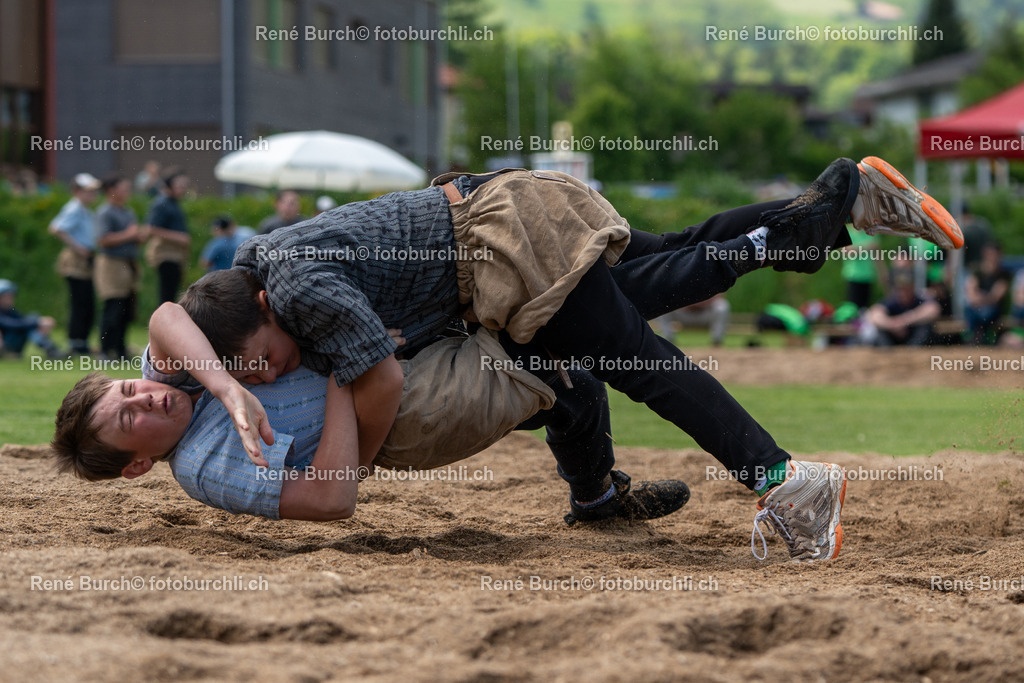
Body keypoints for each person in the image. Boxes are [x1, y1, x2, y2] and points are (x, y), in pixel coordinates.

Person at [140, 155, 961, 561]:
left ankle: (789, 481)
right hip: (506, 207)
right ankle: (828, 204)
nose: (280, 369)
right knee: (663, 265)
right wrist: (224, 378)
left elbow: (381, 378)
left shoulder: (297, 291)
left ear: (260, 311)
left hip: (507, 248)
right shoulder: (251, 266)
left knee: (641, 358)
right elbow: (167, 313)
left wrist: (362, 451)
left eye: (271, 358)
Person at [53, 326, 690, 524]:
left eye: (129, 390)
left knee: (557, 362)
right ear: (138, 465)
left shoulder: (172, 376)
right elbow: (331, 499)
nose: (148, 400)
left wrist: (221, 384)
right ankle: (599, 500)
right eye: (129, 418)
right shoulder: (203, 468)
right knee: (560, 369)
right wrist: (343, 369)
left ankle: (596, 498)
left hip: (390, 351)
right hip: (397, 414)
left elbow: (167, 313)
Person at [94, 175, 147, 359]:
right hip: (111, 265)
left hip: (128, 264)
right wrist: (129, 234)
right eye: (123, 188)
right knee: (113, 307)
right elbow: (103, 239)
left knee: (126, 309)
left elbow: (130, 236)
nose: (127, 192)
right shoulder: (105, 212)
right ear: (111, 191)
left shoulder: (127, 211)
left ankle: (120, 349)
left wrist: (138, 237)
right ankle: (104, 349)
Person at [49, 172, 100, 355]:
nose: (92, 195)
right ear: (76, 191)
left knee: (87, 302)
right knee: (79, 301)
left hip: (86, 259)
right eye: (87, 191)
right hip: (76, 260)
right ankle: (75, 343)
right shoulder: (74, 208)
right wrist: (78, 247)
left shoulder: (86, 209)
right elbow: (56, 228)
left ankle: (83, 342)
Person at [864, 261, 940, 346]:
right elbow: (874, 315)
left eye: (906, 288)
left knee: (925, 327)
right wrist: (893, 325)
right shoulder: (891, 301)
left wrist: (904, 321)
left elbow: (933, 309)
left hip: (915, 340)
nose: (903, 292)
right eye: (901, 288)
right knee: (881, 331)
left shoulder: (919, 299)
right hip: (892, 340)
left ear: (912, 287)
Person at [144, 169, 192, 304]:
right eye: (179, 185)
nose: (183, 188)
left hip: (176, 255)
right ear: (169, 185)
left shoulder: (174, 202)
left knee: (172, 294)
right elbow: (150, 228)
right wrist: (179, 237)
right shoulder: (161, 202)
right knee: (167, 297)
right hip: (165, 254)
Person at [0, 279, 61, 358]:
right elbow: (11, 324)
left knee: (31, 319)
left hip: (12, 343)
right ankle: (49, 348)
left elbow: (23, 321)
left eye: (11, 296)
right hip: (5, 345)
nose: (10, 299)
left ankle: (50, 348)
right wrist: (38, 322)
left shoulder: (11, 311)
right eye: (6, 296)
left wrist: (39, 325)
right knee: (31, 321)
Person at [964, 241, 1010, 345]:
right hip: (977, 308)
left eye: (994, 254)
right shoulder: (976, 270)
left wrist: (980, 297)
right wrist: (986, 298)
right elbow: (971, 295)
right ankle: (974, 338)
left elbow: (996, 298)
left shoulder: (1003, 274)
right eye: (989, 254)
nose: (991, 257)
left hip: (993, 310)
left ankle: (980, 338)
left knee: (987, 313)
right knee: (970, 310)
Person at [653, 294, 731, 346]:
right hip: (683, 312)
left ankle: (716, 341)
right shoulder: (678, 274)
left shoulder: (712, 275)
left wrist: (697, 303)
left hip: (704, 314)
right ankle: (668, 342)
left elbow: (719, 295)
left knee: (722, 306)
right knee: (664, 304)